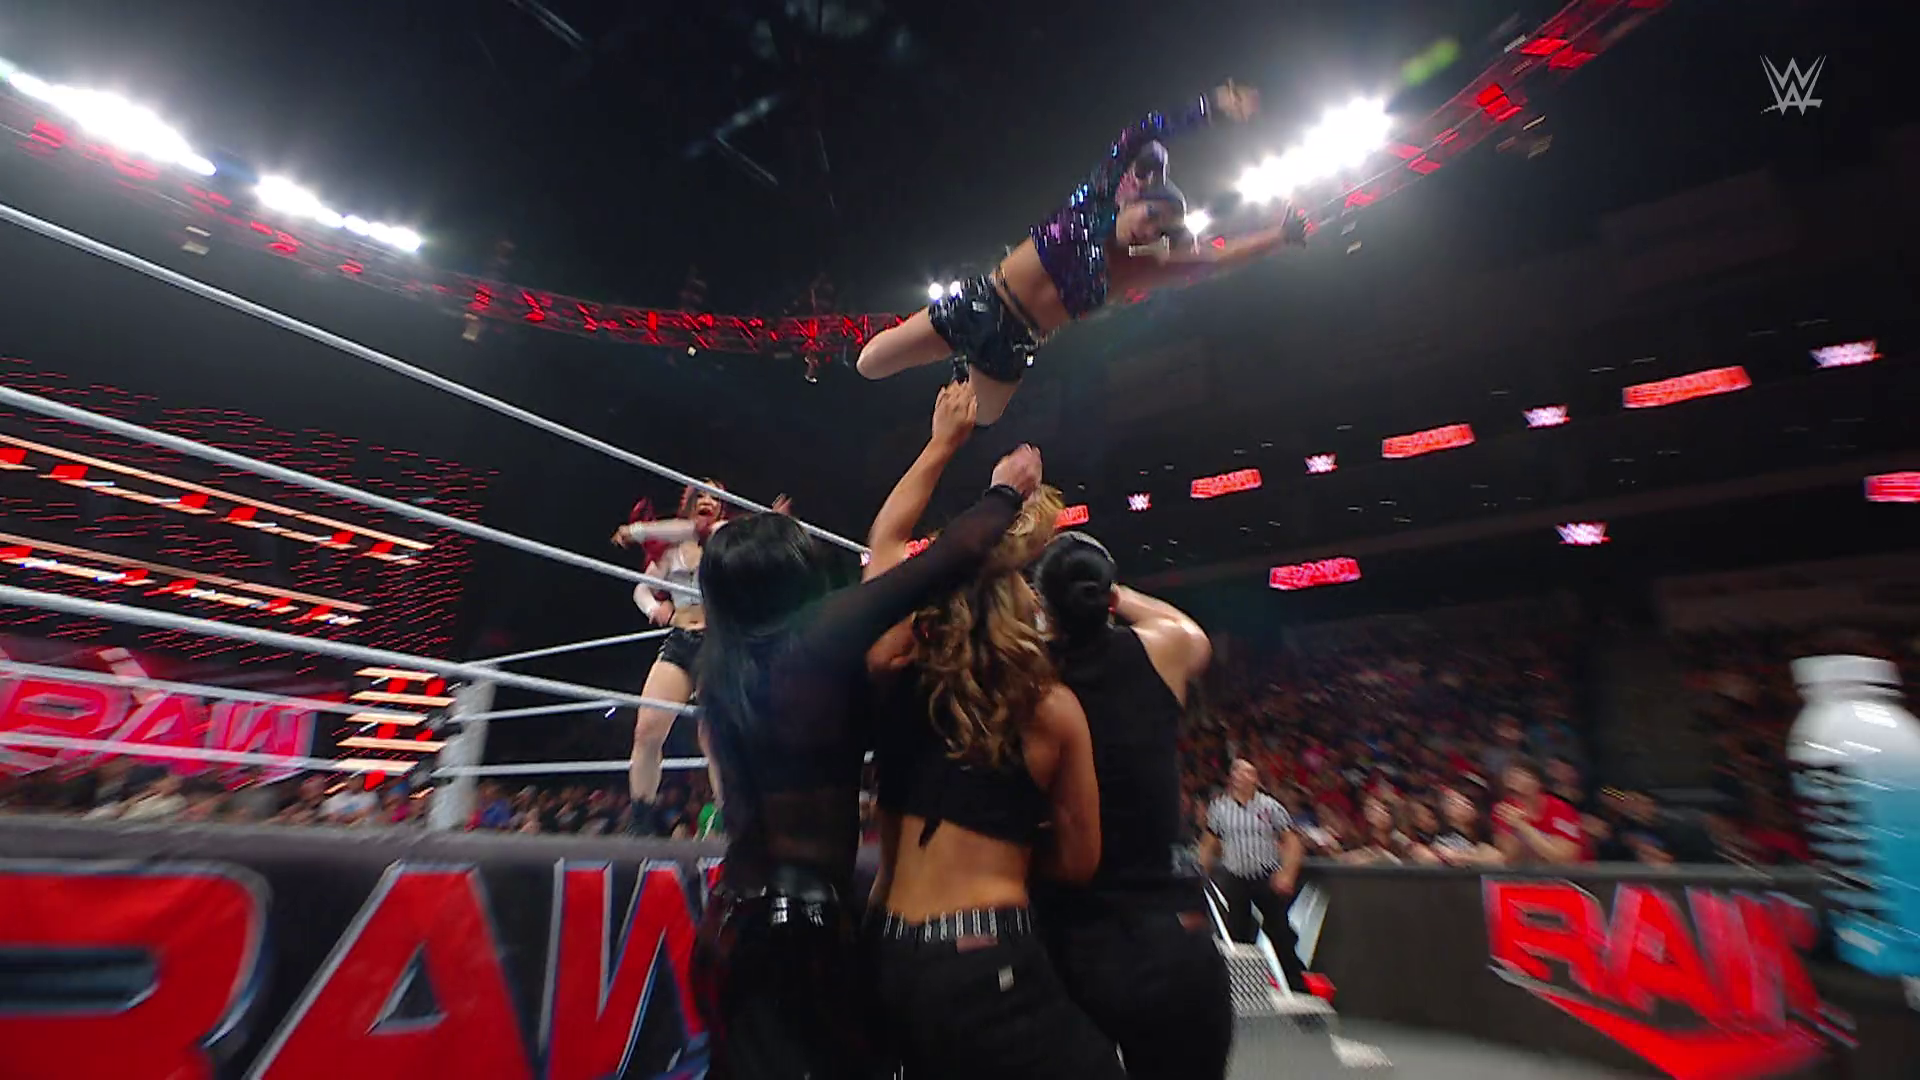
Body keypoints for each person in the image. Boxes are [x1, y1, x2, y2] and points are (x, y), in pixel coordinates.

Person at [690, 443, 1045, 1080]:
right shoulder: (808, 642)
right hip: (796, 930)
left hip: (731, 917)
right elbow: (942, 560)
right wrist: (1006, 491)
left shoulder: (722, 665)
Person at [856, 82, 1306, 426]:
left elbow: (1213, 261)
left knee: (981, 419)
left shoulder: (1135, 269)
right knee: (869, 363)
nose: (1150, 228)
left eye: (1160, 229)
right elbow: (1138, 133)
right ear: (1133, 197)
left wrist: (1278, 237)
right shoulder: (1091, 202)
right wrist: (1210, 109)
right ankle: (955, 355)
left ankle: (963, 368)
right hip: (981, 301)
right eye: (1151, 213)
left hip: (1014, 345)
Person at [868, 486, 1118, 1080]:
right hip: (981, 948)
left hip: (888, 950)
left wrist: (963, 547)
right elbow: (1080, 861)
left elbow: (885, 555)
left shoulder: (894, 677)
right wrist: (1008, 852)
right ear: (1013, 603)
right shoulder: (1049, 707)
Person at [1030, 533, 1235, 1080]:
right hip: (1169, 929)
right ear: (1107, 596)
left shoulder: (1033, 675)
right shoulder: (1159, 650)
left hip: (1077, 932)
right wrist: (1116, 594)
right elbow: (1190, 633)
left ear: (1048, 606)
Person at [612, 482, 789, 816]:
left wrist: (770, 523)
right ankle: (641, 819)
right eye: (701, 495)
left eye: (715, 497)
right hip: (681, 640)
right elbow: (641, 589)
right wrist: (655, 608)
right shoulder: (671, 552)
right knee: (647, 729)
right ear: (690, 501)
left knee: (715, 738)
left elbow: (733, 534)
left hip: (718, 642)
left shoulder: (725, 540)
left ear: (722, 506)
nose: (708, 500)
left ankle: (731, 817)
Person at [1203, 758, 1310, 991]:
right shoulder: (1219, 809)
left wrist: (1287, 874)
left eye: (1248, 772)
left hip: (1265, 876)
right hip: (1236, 878)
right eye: (1238, 772)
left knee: (1279, 932)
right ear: (1232, 778)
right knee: (1237, 935)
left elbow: (1293, 842)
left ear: (1255, 778)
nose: (1243, 776)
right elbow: (1208, 844)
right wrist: (1201, 874)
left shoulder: (1270, 807)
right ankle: (1242, 988)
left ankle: (1296, 984)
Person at [1493, 758, 1588, 865]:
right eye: (1511, 776)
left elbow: (1564, 859)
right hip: (1528, 871)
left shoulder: (1560, 809)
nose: (1515, 779)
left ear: (1538, 783)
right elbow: (1509, 858)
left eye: (1522, 775)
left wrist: (1523, 826)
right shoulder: (1505, 809)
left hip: (1575, 872)